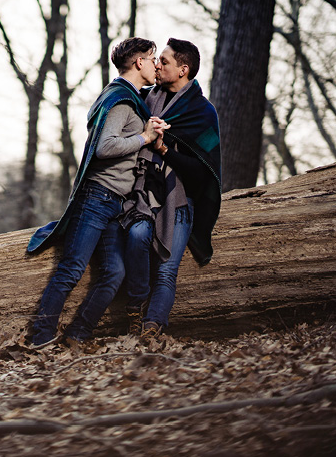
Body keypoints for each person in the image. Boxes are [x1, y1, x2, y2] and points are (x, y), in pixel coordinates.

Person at [26, 37, 168, 347]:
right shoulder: (119, 99)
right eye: (152, 57)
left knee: (114, 274)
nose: (156, 64)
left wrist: (152, 137)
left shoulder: (131, 98)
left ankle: (77, 334)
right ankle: (41, 337)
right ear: (138, 63)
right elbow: (105, 147)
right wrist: (144, 138)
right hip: (97, 198)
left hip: (115, 203)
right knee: (71, 269)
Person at [120, 37, 222, 339]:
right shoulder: (146, 99)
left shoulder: (203, 113)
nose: (157, 65)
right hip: (140, 194)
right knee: (137, 239)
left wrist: (167, 151)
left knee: (166, 271)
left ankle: (152, 329)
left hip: (180, 199)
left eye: (164, 61)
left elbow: (203, 173)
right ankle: (135, 310)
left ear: (183, 70)